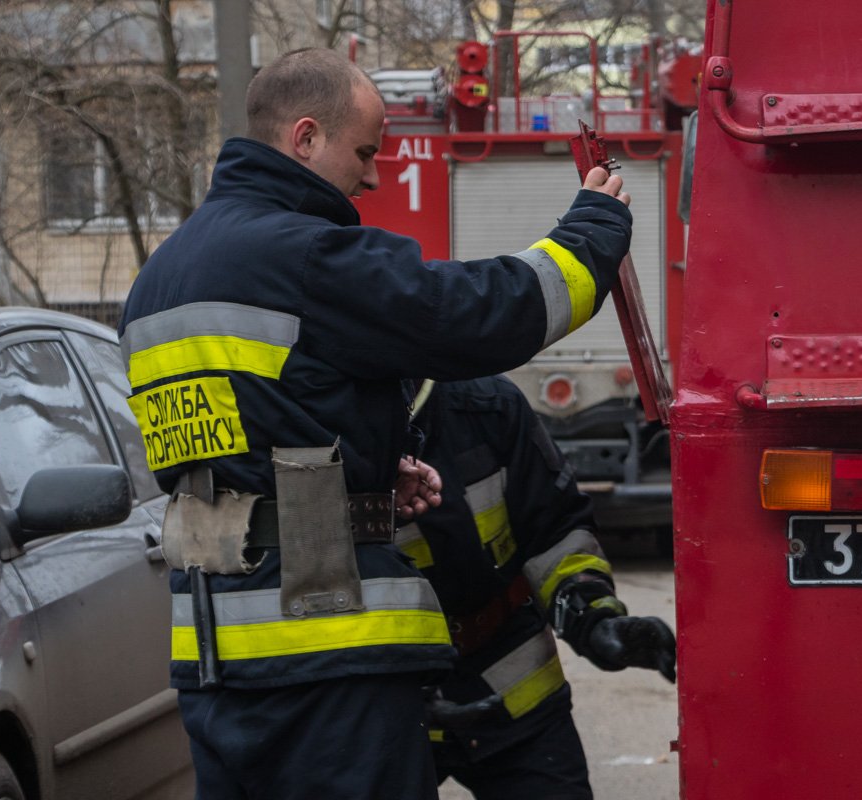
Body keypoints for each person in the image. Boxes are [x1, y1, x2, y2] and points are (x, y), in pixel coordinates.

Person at [117, 48, 632, 800]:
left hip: (215, 667)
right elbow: (473, 316)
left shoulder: (156, 283)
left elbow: (232, 445)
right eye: (365, 150)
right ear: (303, 138)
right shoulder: (299, 255)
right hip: (329, 658)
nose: (375, 175)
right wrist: (591, 234)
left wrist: (366, 470)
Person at [397, 376, 676, 800]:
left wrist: (592, 618)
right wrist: (398, 689)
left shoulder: (488, 405)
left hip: (515, 690)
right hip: (384, 715)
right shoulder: (313, 430)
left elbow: (555, 531)